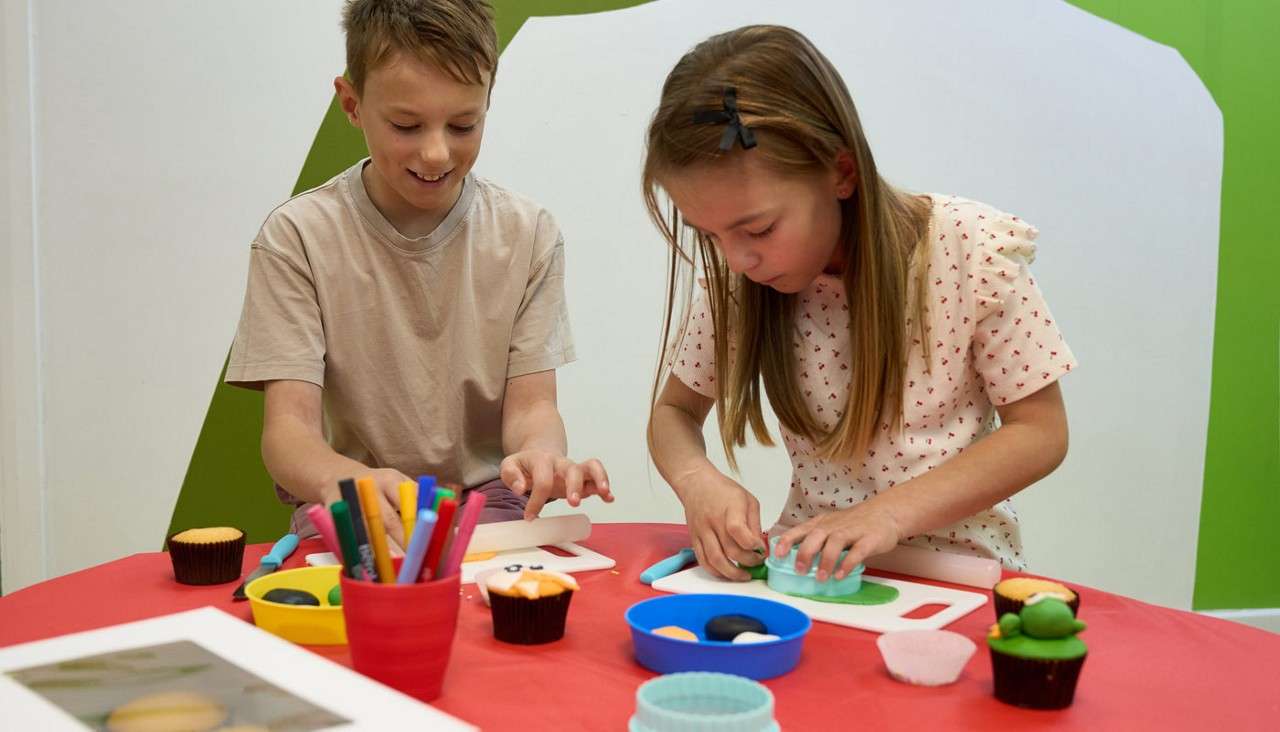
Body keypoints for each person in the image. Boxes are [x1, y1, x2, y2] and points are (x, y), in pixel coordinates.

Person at [644, 25, 1075, 582]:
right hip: (815, 578)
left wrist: (887, 515)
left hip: (958, 578)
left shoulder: (973, 251)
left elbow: (1041, 432)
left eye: (759, 228)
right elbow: (672, 413)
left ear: (841, 173)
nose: (738, 259)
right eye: (711, 236)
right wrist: (697, 480)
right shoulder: (743, 282)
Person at [226, 0, 611, 548]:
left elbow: (534, 408)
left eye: (463, 124)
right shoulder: (298, 237)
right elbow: (289, 437)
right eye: (406, 125)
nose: (435, 153)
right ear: (352, 104)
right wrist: (347, 481)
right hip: (357, 505)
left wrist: (540, 457)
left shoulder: (528, 234)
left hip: (490, 506)